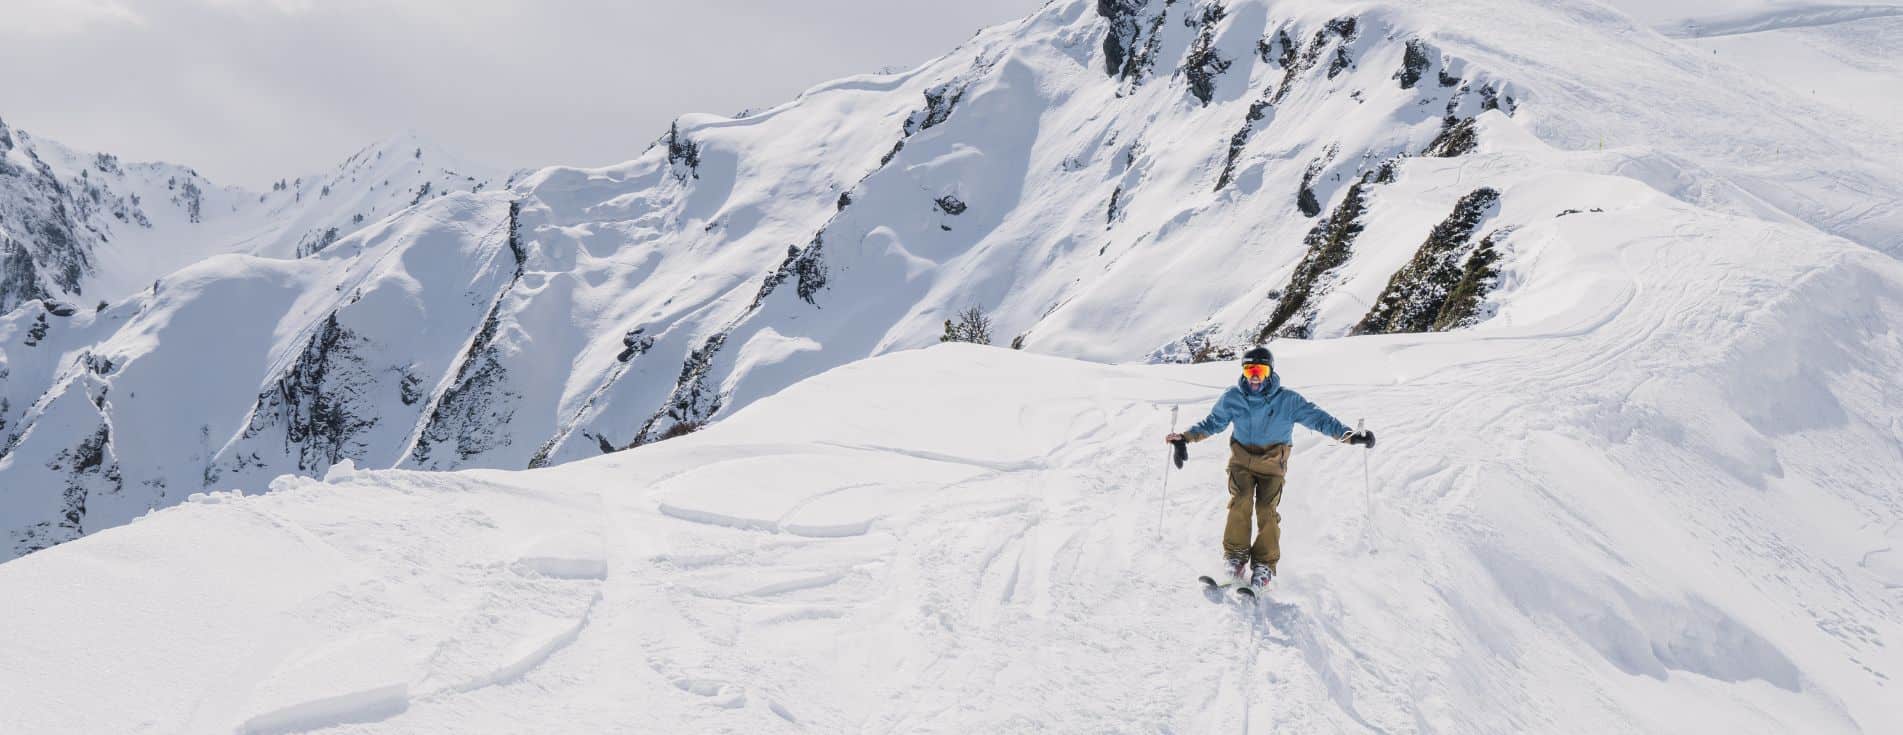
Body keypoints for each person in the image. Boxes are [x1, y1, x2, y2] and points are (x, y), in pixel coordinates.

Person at [1166, 345, 1374, 590]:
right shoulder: (1233, 397)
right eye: (1250, 369)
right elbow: (1213, 422)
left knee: (1266, 508)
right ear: (1243, 371)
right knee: (1241, 500)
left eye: (1260, 370)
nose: (1255, 376)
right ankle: (1236, 557)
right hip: (1241, 461)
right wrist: (1185, 438)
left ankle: (1263, 565)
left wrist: (1349, 436)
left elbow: (1320, 419)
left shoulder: (1288, 400)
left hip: (1273, 465)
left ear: (1270, 372)